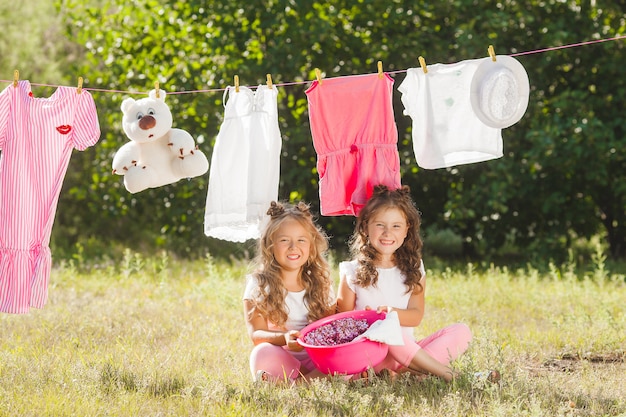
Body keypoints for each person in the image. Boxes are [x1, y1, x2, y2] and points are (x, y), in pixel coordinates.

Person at [337, 184, 473, 382]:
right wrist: (372, 320)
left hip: (406, 353)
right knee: (385, 328)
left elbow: (416, 316)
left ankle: (404, 374)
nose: (387, 232)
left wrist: (391, 314)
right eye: (380, 225)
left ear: (407, 230)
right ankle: (447, 375)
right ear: (366, 226)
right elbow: (342, 326)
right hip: (369, 356)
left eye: (396, 226)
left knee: (461, 332)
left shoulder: (415, 268)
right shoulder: (352, 271)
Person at [243, 200, 336, 384]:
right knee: (262, 353)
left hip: (316, 359)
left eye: (301, 240)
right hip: (282, 357)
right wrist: (284, 338)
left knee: (343, 359)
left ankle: (289, 385)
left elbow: (329, 329)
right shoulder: (259, 285)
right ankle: (310, 383)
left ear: (311, 246)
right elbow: (256, 334)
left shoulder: (322, 284)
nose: (293, 247)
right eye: (284, 240)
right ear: (270, 246)